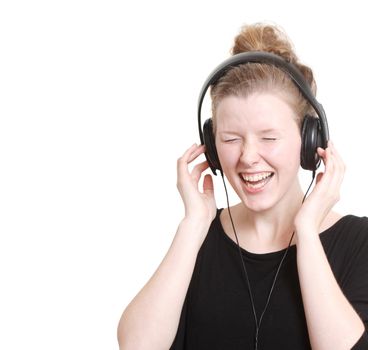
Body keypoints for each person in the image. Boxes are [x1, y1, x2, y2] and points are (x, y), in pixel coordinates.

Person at [117, 23, 368, 349]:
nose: (249, 157)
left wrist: (306, 230)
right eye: (231, 139)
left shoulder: (359, 243)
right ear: (212, 145)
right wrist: (193, 226)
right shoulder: (197, 241)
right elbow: (137, 346)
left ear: (310, 141)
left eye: (269, 138)